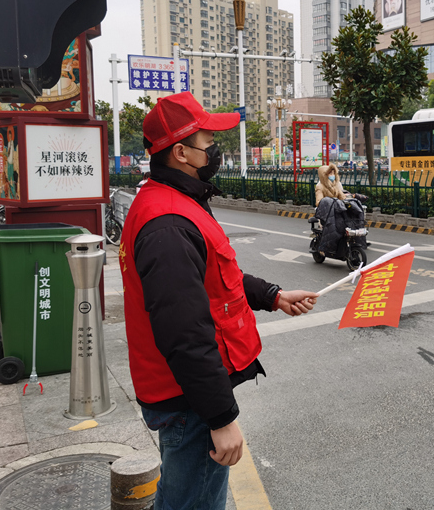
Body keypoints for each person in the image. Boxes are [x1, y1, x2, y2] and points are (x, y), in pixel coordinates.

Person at [119, 92, 318, 510]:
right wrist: (221, 418)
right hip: (187, 401)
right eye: (209, 141)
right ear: (181, 153)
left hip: (186, 394)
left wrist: (273, 296)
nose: (216, 149)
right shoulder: (168, 224)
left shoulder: (174, 203)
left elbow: (215, 277)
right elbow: (185, 334)